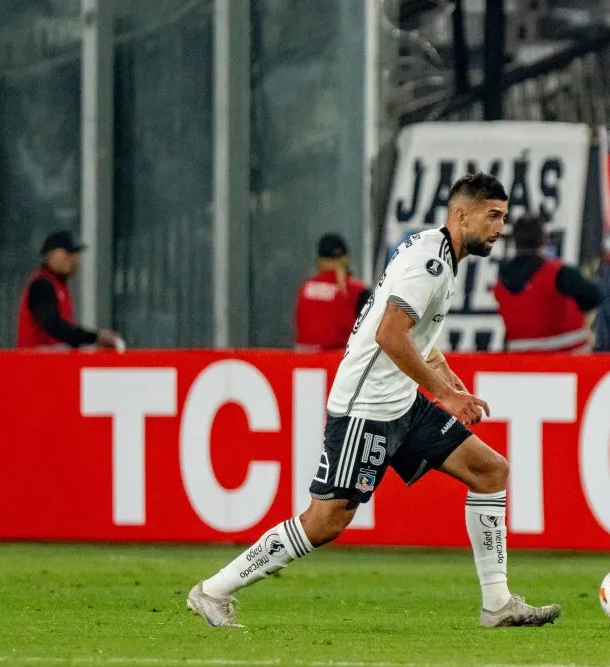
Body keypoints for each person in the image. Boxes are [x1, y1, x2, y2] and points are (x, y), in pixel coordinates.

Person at [187, 173, 561, 628]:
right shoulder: (431, 263)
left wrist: (447, 376)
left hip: (401, 402)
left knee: (490, 470)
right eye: (493, 215)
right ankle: (213, 591)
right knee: (326, 521)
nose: (501, 227)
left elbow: (412, 330)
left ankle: (497, 604)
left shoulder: (432, 249)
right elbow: (389, 334)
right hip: (367, 409)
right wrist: (444, 395)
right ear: (462, 214)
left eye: (503, 217)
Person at [493, 213, 602, 353]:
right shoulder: (558, 273)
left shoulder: (502, 279)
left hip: (522, 364)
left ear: (514, 241)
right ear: (543, 240)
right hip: (568, 359)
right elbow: (594, 296)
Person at [16, 231, 122, 350]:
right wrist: (95, 337)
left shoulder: (58, 284)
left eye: (75, 253)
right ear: (50, 255)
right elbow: (54, 326)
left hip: (52, 361)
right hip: (36, 363)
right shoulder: (41, 284)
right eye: (68, 253)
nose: (74, 259)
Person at [294, 234, 371, 351]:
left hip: (303, 361)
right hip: (338, 360)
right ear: (346, 258)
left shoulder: (306, 287)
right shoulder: (357, 290)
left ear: (320, 260)